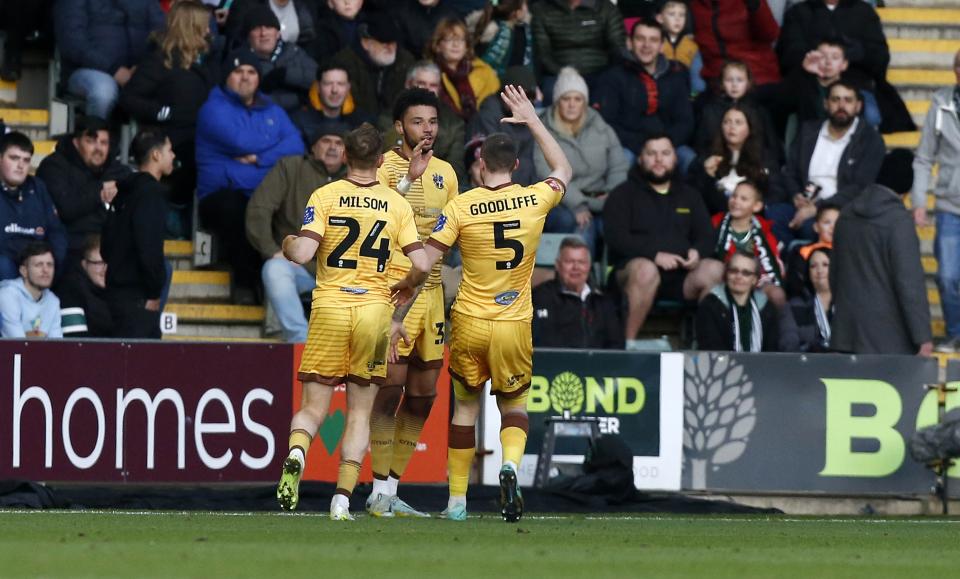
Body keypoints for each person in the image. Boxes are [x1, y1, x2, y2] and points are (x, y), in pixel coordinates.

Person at [390, 85, 573, 522]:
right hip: (514, 323)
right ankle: (509, 466)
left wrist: (400, 305)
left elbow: (426, 263)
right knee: (515, 406)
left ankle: (456, 503)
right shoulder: (536, 199)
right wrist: (532, 119)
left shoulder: (461, 207)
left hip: (470, 322)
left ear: (480, 165)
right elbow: (563, 166)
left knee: (466, 408)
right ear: (515, 165)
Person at [275, 123, 430, 521]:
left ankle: (297, 453)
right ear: (379, 161)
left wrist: (287, 243)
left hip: (329, 308)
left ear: (345, 156)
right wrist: (407, 286)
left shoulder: (325, 195)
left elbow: (302, 252)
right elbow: (422, 263)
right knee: (360, 412)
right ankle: (341, 500)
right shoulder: (396, 205)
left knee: (313, 408)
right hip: (374, 312)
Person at [365, 88, 459, 518]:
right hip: (396, 290)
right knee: (390, 389)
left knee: (423, 395)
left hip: (434, 293)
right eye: (418, 121)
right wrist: (408, 179)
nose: (427, 129)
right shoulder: (382, 168)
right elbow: (376, 220)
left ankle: (391, 488)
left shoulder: (446, 173)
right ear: (399, 126)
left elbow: (453, 229)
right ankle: (376, 490)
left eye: (433, 121)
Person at [195, 51, 305, 299]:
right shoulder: (212, 109)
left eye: (251, 72)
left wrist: (259, 158)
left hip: (261, 192)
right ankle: (245, 286)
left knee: (289, 205)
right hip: (222, 195)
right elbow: (241, 141)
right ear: (227, 76)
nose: (245, 77)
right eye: (238, 71)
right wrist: (274, 146)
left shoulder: (271, 109)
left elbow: (296, 145)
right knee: (239, 210)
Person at [603, 134, 724, 342]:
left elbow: (707, 235)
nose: (659, 159)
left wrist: (697, 252)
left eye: (665, 153)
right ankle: (625, 346)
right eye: (652, 153)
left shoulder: (690, 194)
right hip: (633, 273)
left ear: (675, 158)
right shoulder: (622, 194)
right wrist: (654, 255)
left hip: (681, 276)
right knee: (646, 270)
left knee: (716, 270)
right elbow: (616, 238)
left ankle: (708, 348)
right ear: (640, 158)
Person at [246, 118, 349, 343]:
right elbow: (258, 209)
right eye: (326, 141)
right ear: (313, 147)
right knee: (274, 269)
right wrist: (272, 251)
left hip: (346, 275)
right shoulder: (291, 167)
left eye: (339, 143)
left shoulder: (357, 177)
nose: (333, 147)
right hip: (301, 268)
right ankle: (299, 340)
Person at [120, 0, 223, 208]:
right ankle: (175, 210)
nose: (208, 31)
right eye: (204, 25)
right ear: (190, 27)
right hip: (174, 138)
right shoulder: (159, 60)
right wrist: (163, 112)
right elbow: (130, 98)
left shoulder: (210, 59)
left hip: (206, 134)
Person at [534, 66, 628, 255]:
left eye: (578, 99)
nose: (572, 105)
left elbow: (618, 166)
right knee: (583, 227)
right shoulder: (543, 130)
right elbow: (546, 173)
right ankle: (580, 272)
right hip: (564, 202)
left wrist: (612, 194)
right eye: (566, 99)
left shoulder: (600, 126)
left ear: (585, 102)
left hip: (602, 198)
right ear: (557, 102)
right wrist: (578, 204)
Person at [831, 184, 932, 355]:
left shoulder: (846, 214)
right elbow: (909, 283)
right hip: (890, 342)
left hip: (846, 335)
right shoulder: (898, 221)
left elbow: (834, 273)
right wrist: (922, 336)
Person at [780, 80, 885, 241]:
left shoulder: (870, 139)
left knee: (810, 229)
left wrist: (817, 208)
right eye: (835, 99)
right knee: (774, 217)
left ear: (858, 106)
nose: (841, 106)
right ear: (826, 104)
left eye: (848, 100)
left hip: (842, 208)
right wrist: (795, 195)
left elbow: (860, 187)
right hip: (803, 203)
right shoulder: (808, 131)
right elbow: (790, 171)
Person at [102, 130, 174, 339]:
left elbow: (106, 247)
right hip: (139, 299)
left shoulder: (123, 191)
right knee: (142, 358)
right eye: (169, 150)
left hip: (116, 294)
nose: (173, 156)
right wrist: (153, 293)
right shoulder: (151, 193)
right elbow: (149, 247)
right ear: (156, 155)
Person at [37, 117, 132, 275]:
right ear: (76, 142)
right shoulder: (54, 166)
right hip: (71, 246)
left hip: (112, 243)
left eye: (104, 143)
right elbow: (65, 209)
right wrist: (100, 193)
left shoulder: (119, 171)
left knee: (161, 266)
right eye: (91, 141)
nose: (98, 148)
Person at [594, 19, 695, 170]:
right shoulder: (612, 76)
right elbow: (607, 123)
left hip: (669, 143)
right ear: (630, 43)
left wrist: (664, 145)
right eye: (640, 39)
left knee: (690, 159)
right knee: (623, 161)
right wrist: (643, 146)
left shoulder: (676, 75)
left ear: (661, 46)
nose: (646, 45)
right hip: (629, 146)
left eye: (653, 40)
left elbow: (685, 120)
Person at [913, 48, 960, 353]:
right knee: (947, 277)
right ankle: (956, 332)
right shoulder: (941, 103)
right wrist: (919, 201)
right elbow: (923, 158)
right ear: (955, 71)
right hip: (949, 207)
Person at [53, 0, 165, 118]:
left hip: (138, 71)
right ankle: (95, 128)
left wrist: (144, 67)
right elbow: (72, 43)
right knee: (103, 91)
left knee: (171, 86)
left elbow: (162, 36)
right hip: (86, 70)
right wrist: (114, 70)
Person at [687, 103, 784, 217]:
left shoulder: (764, 157)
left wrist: (756, 207)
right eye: (727, 122)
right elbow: (692, 195)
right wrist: (706, 175)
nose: (732, 127)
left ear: (750, 127)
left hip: (753, 217)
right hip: (715, 217)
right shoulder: (708, 156)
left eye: (738, 122)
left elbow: (777, 192)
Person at [381, 61, 467, 181]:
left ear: (440, 89)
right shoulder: (388, 119)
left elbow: (456, 171)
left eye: (433, 85)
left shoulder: (454, 124)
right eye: (421, 83)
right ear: (408, 84)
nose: (427, 89)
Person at [532, 236, 623, 349]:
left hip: (597, 361)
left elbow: (616, 346)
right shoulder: (540, 297)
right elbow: (540, 344)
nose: (576, 267)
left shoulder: (603, 302)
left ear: (589, 266)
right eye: (569, 262)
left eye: (581, 262)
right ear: (558, 265)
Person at [0, 132, 68, 281]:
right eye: (14, 158)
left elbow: (56, 231)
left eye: (26, 160)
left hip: (36, 263)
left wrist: (51, 260)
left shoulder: (38, 187)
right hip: (8, 265)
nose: (20, 166)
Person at [710, 180, 786, 306]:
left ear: (757, 206)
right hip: (724, 278)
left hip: (755, 280)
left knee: (777, 294)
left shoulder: (764, 231)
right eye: (734, 196)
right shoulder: (715, 224)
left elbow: (773, 264)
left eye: (743, 199)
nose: (736, 201)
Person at [693, 60, 782, 165]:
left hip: (754, 164)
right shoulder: (710, 110)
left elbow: (772, 145)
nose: (734, 85)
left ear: (748, 83)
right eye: (729, 80)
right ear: (722, 83)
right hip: (719, 163)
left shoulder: (758, 110)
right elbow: (701, 144)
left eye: (740, 80)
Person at [531, 0, 626, 93]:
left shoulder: (606, 8)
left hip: (601, 73)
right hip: (557, 74)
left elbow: (617, 47)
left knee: (610, 89)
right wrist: (563, 72)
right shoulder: (542, 9)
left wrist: (608, 73)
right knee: (552, 90)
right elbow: (542, 53)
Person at [331, 14, 416, 118]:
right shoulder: (345, 64)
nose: (390, 47)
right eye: (384, 42)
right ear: (365, 43)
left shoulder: (406, 61)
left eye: (393, 42)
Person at [695, 250, 781, 351]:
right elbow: (710, 347)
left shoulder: (767, 308)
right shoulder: (710, 305)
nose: (738, 276)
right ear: (726, 274)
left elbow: (771, 350)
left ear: (754, 279)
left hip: (760, 361)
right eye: (733, 271)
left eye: (746, 273)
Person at [468, 65, 537, 186]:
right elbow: (486, 168)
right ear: (503, 92)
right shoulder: (487, 116)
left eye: (528, 96)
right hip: (494, 190)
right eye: (515, 94)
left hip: (523, 190)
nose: (520, 100)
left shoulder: (529, 117)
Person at [241, 5, 318, 113]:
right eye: (256, 28)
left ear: (278, 34)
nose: (263, 33)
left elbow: (319, 78)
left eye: (269, 27)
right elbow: (251, 100)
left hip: (301, 115)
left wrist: (286, 74)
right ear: (248, 37)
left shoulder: (293, 51)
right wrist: (298, 98)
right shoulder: (242, 60)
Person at [690, 0, 780, 87]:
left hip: (757, 77)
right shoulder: (696, 5)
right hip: (717, 81)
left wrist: (755, 6)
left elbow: (770, 34)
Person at [426, 18, 500, 123]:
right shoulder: (428, 74)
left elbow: (494, 110)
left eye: (460, 40)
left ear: (466, 46)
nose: (456, 45)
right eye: (449, 39)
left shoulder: (484, 71)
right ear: (438, 46)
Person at [291, 63, 371, 140]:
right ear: (318, 87)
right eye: (328, 84)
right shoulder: (299, 121)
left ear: (348, 87)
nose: (334, 90)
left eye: (340, 84)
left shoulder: (362, 123)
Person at [0, 242, 61, 338]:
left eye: (49, 265)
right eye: (39, 265)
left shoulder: (53, 301)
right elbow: (17, 343)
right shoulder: (8, 296)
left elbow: (57, 343)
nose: (46, 270)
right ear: (24, 271)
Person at [58, 234, 115, 337]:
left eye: (109, 263)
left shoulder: (121, 291)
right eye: (99, 263)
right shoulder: (70, 291)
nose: (105, 269)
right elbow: (76, 341)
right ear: (84, 265)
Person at [784, 246, 833, 352]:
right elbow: (789, 345)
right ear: (808, 273)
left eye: (825, 265)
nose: (819, 270)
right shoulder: (794, 306)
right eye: (813, 266)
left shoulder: (847, 305)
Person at [783, 203, 837, 297]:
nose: (833, 227)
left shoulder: (847, 252)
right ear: (816, 227)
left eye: (837, 223)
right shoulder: (804, 251)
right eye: (827, 222)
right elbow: (794, 284)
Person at [473, 0, 535, 79]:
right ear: (517, 12)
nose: (527, 8)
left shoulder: (522, 30)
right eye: (525, 4)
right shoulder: (497, 31)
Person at [657, 0, 705, 95]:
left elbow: (697, 76)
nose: (678, 19)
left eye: (682, 15)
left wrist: (696, 94)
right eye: (672, 14)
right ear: (660, 18)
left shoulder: (692, 45)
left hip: (685, 94)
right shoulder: (655, 42)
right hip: (659, 92)